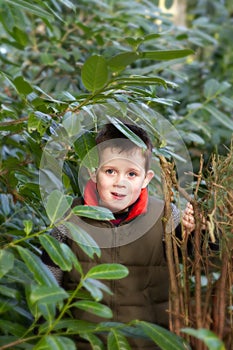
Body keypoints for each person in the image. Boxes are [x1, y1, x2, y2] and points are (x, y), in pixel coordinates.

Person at [43, 122, 195, 349]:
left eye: (132, 174)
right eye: (110, 171)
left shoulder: (164, 216)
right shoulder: (68, 219)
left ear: (146, 178)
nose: (120, 182)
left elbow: (195, 261)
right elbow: (48, 285)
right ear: (93, 173)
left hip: (148, 343)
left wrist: (196, 232)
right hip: (83, 343)